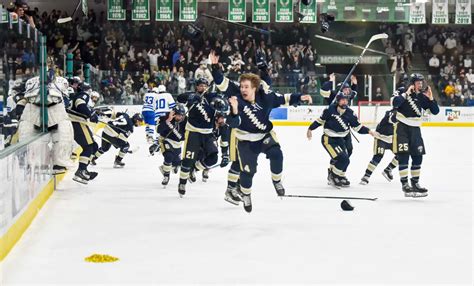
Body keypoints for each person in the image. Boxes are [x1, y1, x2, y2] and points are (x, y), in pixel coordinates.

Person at [211, 51, 313, 212]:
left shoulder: (265, 96)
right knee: (247, 172)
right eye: (242, 86)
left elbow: (283, 99)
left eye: (246, 87)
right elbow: (232, 119)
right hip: (244, 140)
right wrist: (215, 67)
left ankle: (277, 181)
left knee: (277, 154)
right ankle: (245, 194)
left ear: (255, 89)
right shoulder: (235, 96)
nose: (243, 89)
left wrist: (300, 97)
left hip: (264, 135)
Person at [307, 92, 375, 188]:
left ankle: (340, 175)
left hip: (342, 139)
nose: (345, 102)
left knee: (346, 157)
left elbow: (357, 127)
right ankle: (333, 176)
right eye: (342, 100)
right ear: (338, 101)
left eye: (346, 100)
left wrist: (368, 131)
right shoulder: (329, 110)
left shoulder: (350, 113)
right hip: (329, 139)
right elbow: (320, 121)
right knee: (343, 158)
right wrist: (310, 129)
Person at [392, 73, 439, 197]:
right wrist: (407, 93)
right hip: (402, 128)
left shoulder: (421, 97)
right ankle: (404, 184)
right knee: (403, 156)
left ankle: (415, 183)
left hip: (415, 130)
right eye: (418, 82)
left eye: (421, 82)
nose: (421, 84)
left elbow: (435, 111)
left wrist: (431, 98)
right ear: (412, 83)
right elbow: (395, 103)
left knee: (418, 157)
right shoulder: (401, 91)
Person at [174, 77, 221, 197]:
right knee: (188, 160)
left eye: (205, 85)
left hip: (208, 133)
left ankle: (194, 169)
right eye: (200, 85)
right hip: (193, 132)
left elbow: (221, 100)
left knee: (213, 158)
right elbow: (179, 98)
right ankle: (182, 183)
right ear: (197, 86)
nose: (203, 87)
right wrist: (191, 97)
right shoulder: (192, 95)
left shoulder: (211, 96)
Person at [360, 101, 400, 185]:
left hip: (392, 139)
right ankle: (366, 176)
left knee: (402, 154)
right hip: (381, 138)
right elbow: (393, 119)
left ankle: (388, 169)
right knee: (378, 156)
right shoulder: (392, 113)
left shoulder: (401, 112)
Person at [67, 82, 98, 183]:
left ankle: (83, 169)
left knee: (93, 146)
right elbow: (80, 105)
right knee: (89, 146)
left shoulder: (76, 95)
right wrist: (90, 114)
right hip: (77, 123)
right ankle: (81, 171)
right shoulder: (83, 95)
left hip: (77, 123)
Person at [156, 104, 187, 187]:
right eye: (178, 115)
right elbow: (158, 130)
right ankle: (166, 176)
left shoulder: (185, 120)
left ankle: (165, 168)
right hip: (166, 140)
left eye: (182, 115)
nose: (180, 117)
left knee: (177, 164)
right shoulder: (165, 116)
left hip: (177, 144)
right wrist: (168, 121)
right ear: (173, 113)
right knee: (168, 156)